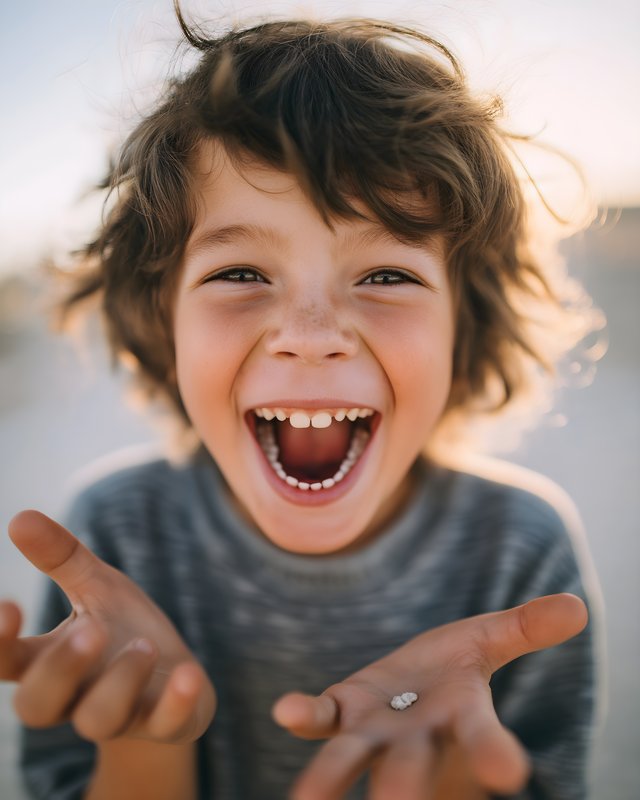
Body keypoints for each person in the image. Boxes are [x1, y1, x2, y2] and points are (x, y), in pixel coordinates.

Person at [0, 5, 603, 800]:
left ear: (467, 328)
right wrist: (147, 734)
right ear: (162, 323)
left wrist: (451, 774)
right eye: (240, 273)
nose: (311, 336)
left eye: (386, 275)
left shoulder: (519, 551)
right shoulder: (114, 540)